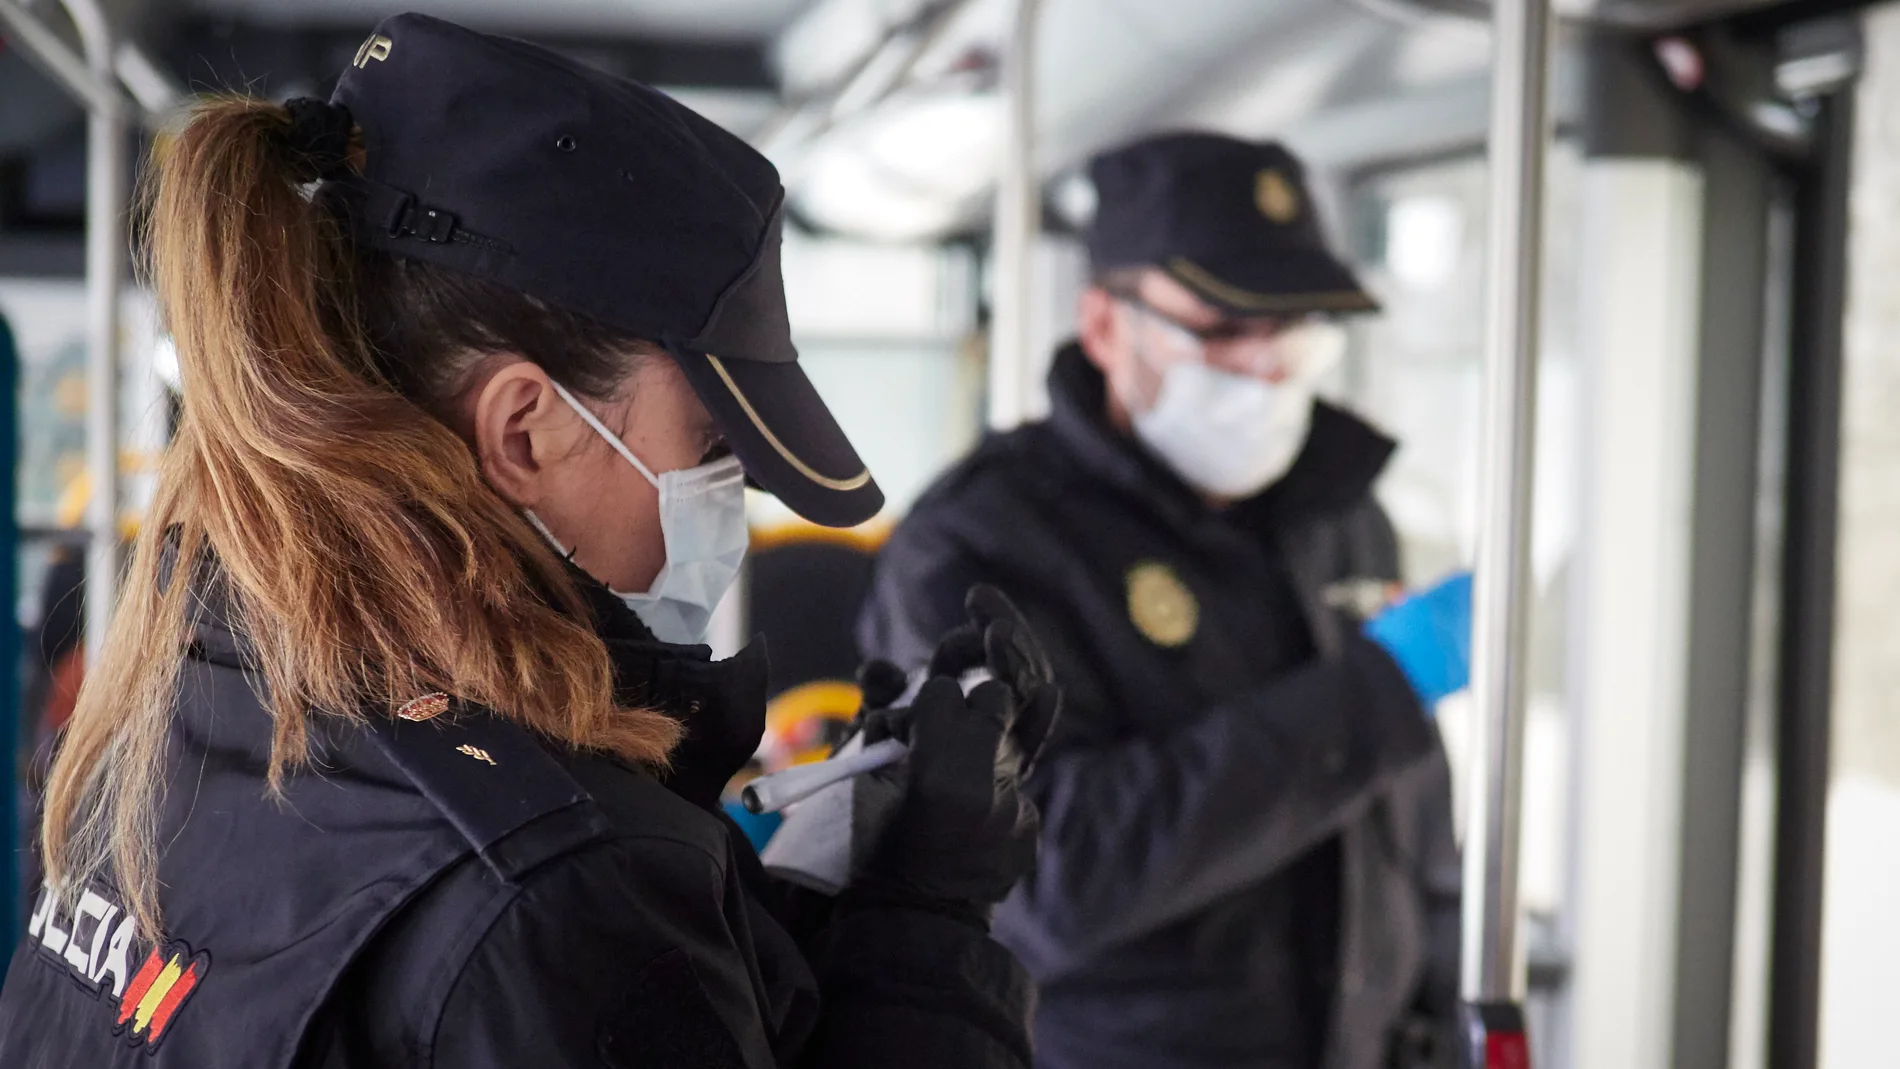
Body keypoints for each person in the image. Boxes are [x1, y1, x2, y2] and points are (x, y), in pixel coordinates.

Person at [0, 13, 1054, 1068]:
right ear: (523, 430)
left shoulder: (178, 687)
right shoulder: (565, 897)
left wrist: (760, 908)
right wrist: (926, 924)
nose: (729, 500)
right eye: (711, 444)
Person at [858, 132, 1470, 1069]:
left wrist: (1438, 1016)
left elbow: (1410, 824)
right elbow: (1039, 874)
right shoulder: (983, 544)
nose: (1268, 366)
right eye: (1224, 329)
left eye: (1298, 326)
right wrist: (1373, 695)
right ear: (1106, 324)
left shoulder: (1343, 517)